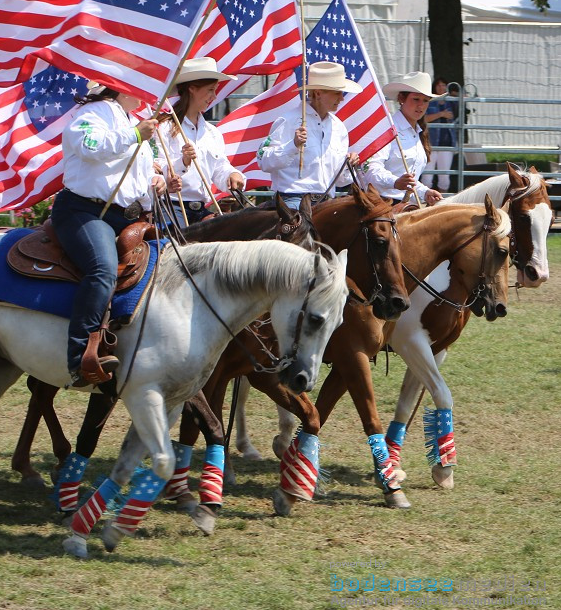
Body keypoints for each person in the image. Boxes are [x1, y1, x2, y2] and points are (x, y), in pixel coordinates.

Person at [51, 81, 179, 387]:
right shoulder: (92, 113)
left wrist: (155, 182)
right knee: (102, 269)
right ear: (121, 88)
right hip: (84, 212)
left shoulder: (128, 120)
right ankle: (80, 355)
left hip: (125, 216)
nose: (146, 90)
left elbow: (132, 176)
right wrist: (136, 135)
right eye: (137, 82)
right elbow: (90, 146)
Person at [256, 61, 361, 210]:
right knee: (300, 228)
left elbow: (341, 181)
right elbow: (264, 160)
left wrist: (349, 165)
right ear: (318, 93)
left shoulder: (339, 127)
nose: (342, 98)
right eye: (337, 93)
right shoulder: (288, 120)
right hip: (293, 198)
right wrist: (292, 145)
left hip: (327, 201)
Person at [158, 57, 246, 225]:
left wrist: (232, 175)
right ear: (192, 88)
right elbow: (155, 167)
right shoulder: (164, 127)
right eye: (210, 90)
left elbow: (220, 168)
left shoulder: (213, 133)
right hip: (171, 206)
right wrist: (183, 162)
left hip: (202, 210)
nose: (214, 96)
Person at [363, 71, 442, 206]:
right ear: (401, 98)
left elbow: (410, 179)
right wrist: (395, 182)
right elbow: (370, 169)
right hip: (380, 205)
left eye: (425, 101)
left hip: (406, 204)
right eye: (416, 99)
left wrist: (425, 192)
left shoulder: (418, 133)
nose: (421, 105)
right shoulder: (387, 129)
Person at [423, 76, 456, 192]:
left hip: (447, 143)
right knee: (427, 177)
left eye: (443, 85)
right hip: (430, 143)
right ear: (434, 87)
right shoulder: (428, 100)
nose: (441, 87)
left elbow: (462, 109)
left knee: (444, 177)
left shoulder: (452, 101)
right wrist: (441, 114)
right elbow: (423, 118)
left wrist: (459, 95)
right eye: (439, 85)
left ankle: (441, 202)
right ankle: (426, 203)